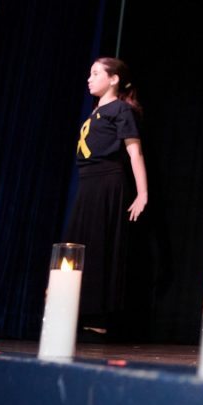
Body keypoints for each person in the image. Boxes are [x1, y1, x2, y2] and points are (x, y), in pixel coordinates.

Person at [66, 57, 148, 339]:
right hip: (87, 183)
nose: (89, 79)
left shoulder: (120, 109)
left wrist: (142, 192)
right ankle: (76, 312)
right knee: (80, 244)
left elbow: (134, 152)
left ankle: (96, 319)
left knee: (99, 245)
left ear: (113, 79)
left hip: (106, 182)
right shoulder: (96, 111)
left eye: (96, 73)